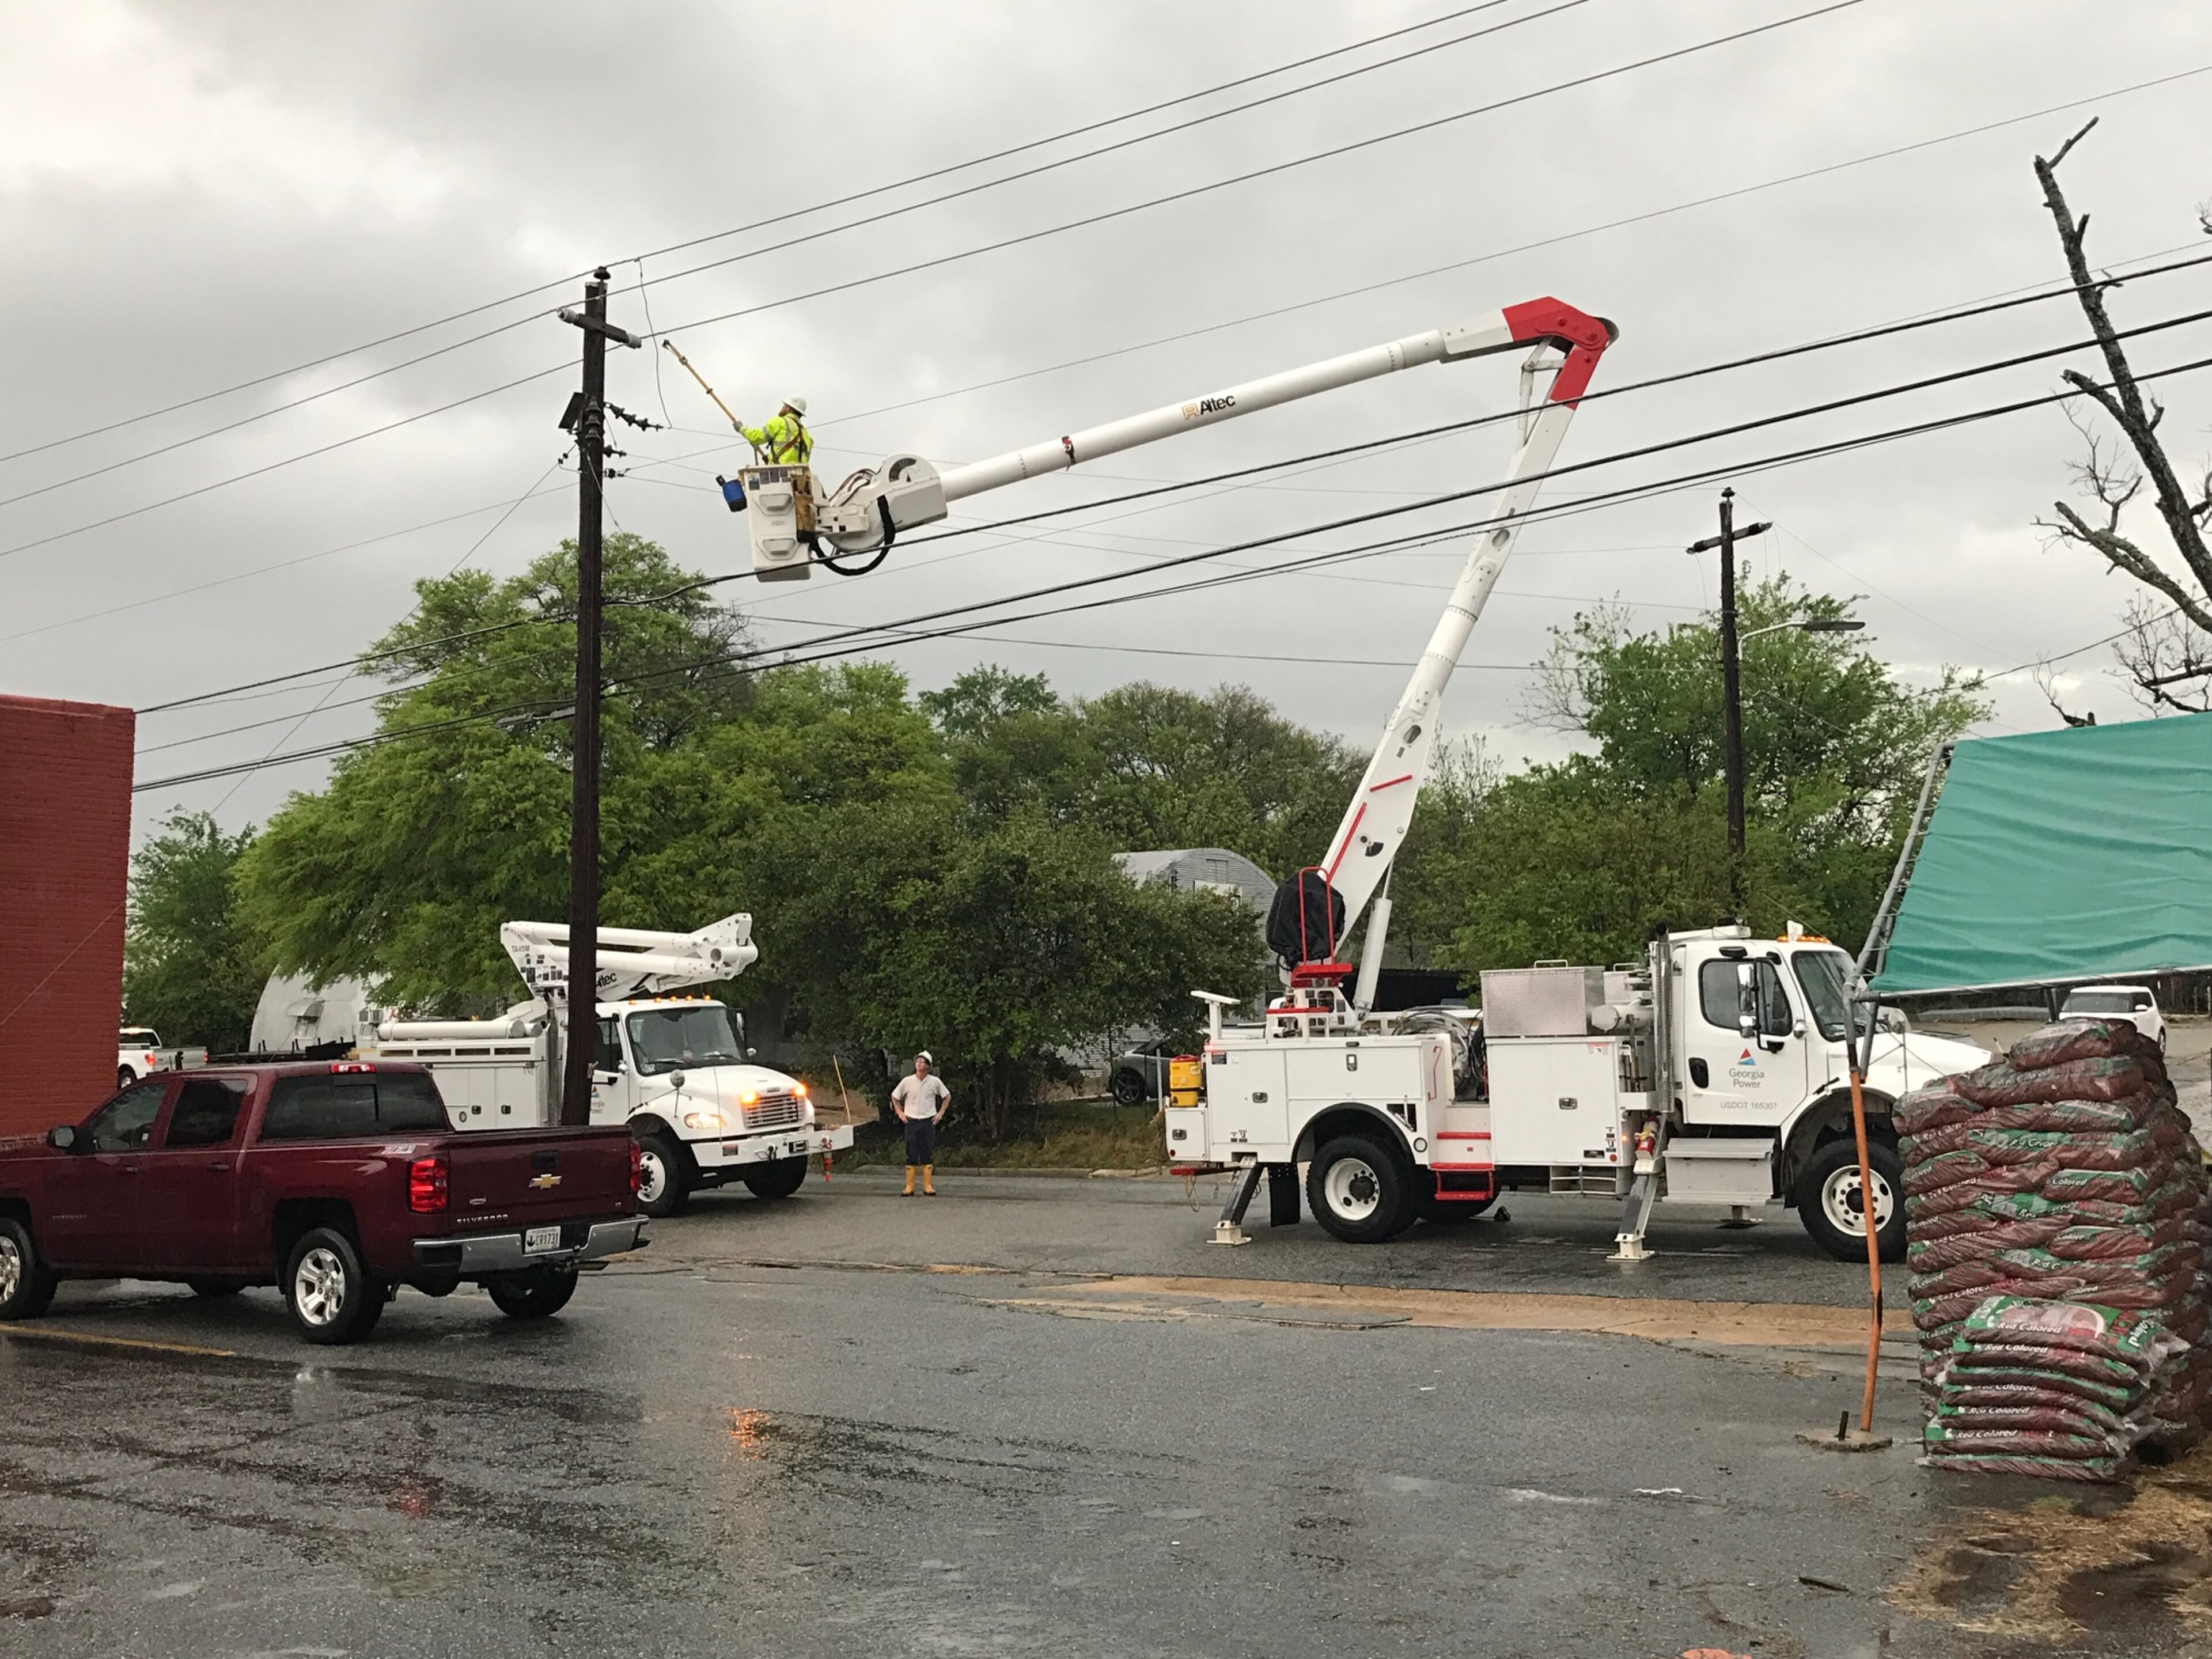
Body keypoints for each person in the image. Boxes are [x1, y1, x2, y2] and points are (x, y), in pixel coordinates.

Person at [890, 1051, 950, 1197]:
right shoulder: (908, 1081)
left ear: (928, 1067)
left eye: (923, 1061)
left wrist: (940, 1114)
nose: (919, 1063)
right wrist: (900, 1113)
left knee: (926, 1152)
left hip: (928, 1121)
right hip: (911, 1121)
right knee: (911, 1152)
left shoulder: (934, 1082)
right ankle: (909, 1186)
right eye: (918, 1061)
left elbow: (947, 1096)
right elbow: (895, 1096)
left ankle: (927, 1185)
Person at [738, 396, 813, 467]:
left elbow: (757, 437)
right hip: (800, 476)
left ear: (789, 409)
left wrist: (741, 429)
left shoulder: (780, 422)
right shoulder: (806, 434)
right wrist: (771, 459)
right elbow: (798, 458)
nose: (782, 408)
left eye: (784, 406)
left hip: (781, 472)